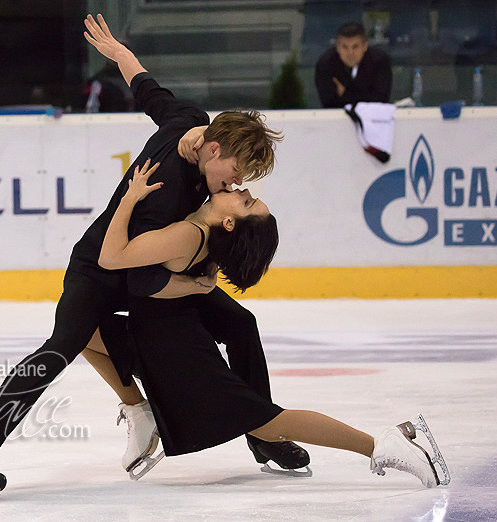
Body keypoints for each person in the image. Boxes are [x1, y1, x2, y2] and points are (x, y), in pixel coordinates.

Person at [0, 13, 307, 498]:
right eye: (235, 173)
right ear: (213, 148)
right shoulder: (163, 192)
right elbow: (142, 282)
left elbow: (151, 94)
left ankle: (262, 432)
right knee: (59, 348)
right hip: (101, 268)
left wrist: (121, 55)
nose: (236, 185)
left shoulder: (193, 126)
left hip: (148, 260)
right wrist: (197, 285)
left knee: (241, 324)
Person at [86, 159, 448, 489]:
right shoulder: (204, 234)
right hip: (162, 343)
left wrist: (128, 198)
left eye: (246, 203)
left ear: (229, 223)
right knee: (83, 333)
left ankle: (380, 445)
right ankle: (138, 408)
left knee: (271, 423)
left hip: (180, 357)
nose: (243, 191)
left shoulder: (188, 234)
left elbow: (111, 255)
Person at [315, 22, 392, 108]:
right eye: (345, 47)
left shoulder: (379, 62)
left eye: (355, 47)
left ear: (365, 46)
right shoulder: (326, 64)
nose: (350, 53)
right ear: (337, 47)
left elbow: (380, 101)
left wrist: (345, 94)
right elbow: (328, 103)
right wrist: (363, 96)